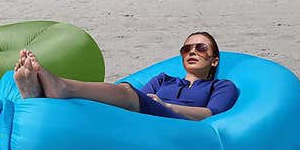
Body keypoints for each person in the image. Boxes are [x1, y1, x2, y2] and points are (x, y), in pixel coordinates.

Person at [13, 32, 238, 121]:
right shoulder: (164, 79)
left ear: (214, 60)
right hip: (144, 116)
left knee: (128, 92)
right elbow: (138, 100)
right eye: (186, 48)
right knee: (120, 98)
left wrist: (167, 106)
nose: (192, 52)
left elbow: (212, 113)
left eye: (200, 47)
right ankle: (36, 97)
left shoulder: (221, 86)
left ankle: (62, 87)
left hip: (175, 120)